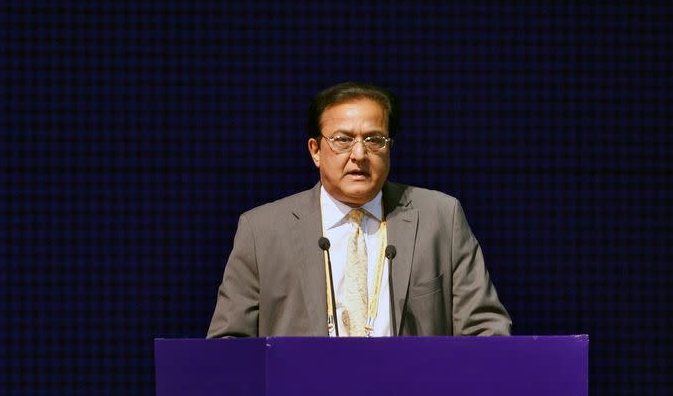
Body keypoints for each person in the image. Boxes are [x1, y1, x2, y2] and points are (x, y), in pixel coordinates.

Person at [207, 82, 511, 337]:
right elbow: (228, 344)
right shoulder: (262, 231)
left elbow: (485, 330)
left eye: (374, 140)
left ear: (389, 146)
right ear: (315, 150)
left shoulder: (440, 218)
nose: (359, 154)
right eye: (342, 140)